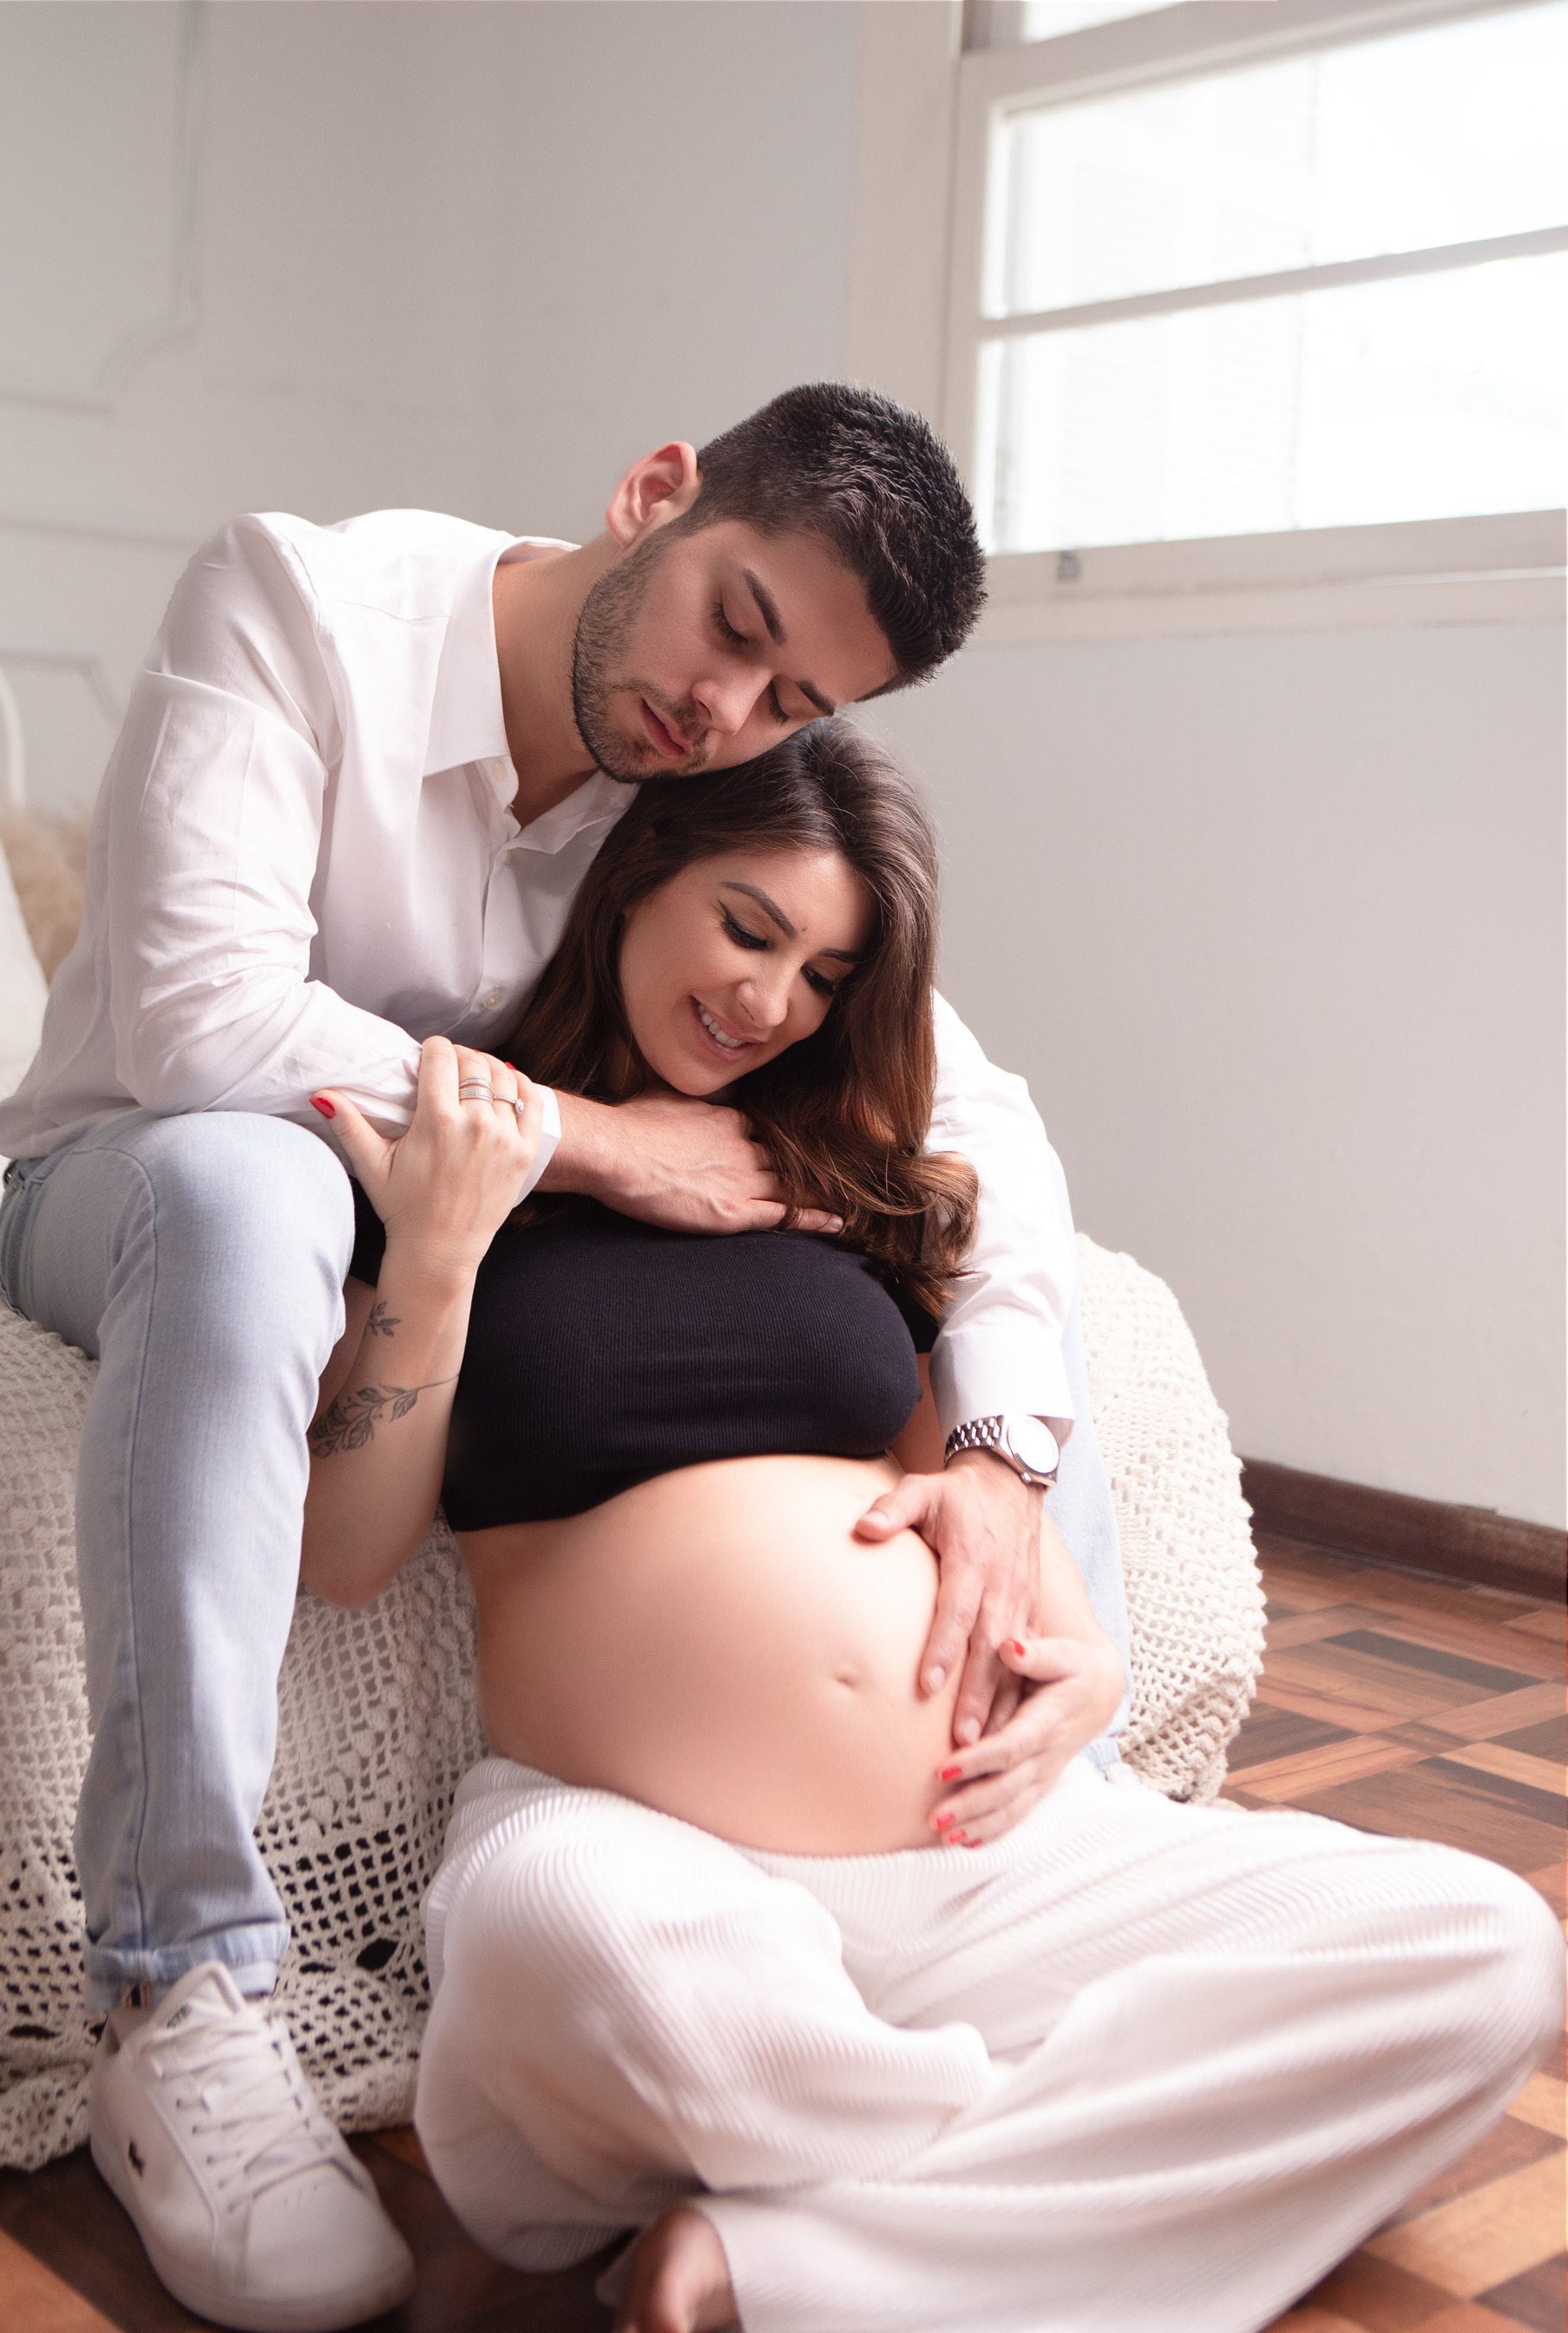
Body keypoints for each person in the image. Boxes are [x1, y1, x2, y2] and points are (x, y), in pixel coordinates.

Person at [0, 384, 1127, 2333]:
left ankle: (1053, 1844)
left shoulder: (685, 775)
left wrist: (1013, 1467)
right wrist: (608, 1147)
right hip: (146, 1171)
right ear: (655, 492)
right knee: (257, 1196)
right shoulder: (290, 605)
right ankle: (177, 1980)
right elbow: (197, 1017)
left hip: (436, 1217)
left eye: (794, 707)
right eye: (740, 627)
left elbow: (980, 1122)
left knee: (975, 1261)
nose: (733, 712)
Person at [305, 725, 1564, 2333]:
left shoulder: (856, 1181)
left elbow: (976, 1504)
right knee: (572, 1946)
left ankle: (787, 2256)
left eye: (825, 974)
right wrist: (433, 1255)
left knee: (1486, 1954)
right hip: (637, 1846)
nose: (769, 1002)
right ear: (634, 886)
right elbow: (344, 1551)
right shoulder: (477, 1155)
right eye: (747, 927)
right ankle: (1060, 2162)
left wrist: (1090, 1666)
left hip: (995, 1856)